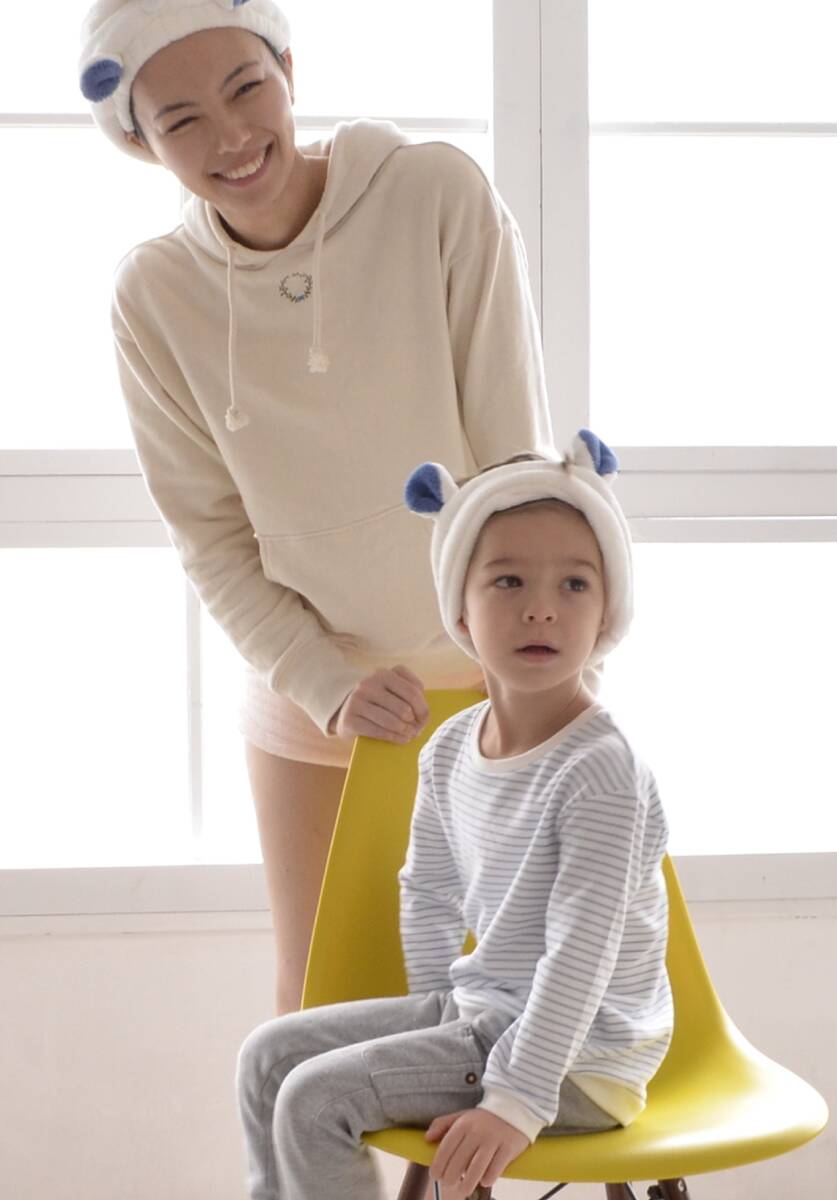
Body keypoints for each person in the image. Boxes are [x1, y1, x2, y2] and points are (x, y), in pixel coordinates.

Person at [78, 0, 554, 1013]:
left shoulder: (432, 193)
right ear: (141, 140)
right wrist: (327, 684)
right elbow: (211, 540)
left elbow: (516, 461)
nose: (231, 137)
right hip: (314, 691)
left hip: (497, 678)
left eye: (246, 89)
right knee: (319, 1005)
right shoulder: (154, 297)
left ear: (289, 71)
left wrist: (534, 670)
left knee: (510, 1002)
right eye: (182, 120)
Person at [235, 429, 673, 1200]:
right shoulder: (446, 751)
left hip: (581, 1058)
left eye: (575, 584)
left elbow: (582, 954)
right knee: (267, 1060)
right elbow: (430, 892)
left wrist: (516, 1100)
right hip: (482, 1015)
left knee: (317, 1099)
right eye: (508, 581)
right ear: (461, 614)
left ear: (608, 612)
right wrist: (438, 1028)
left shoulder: (600, 771)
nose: (541, 609)